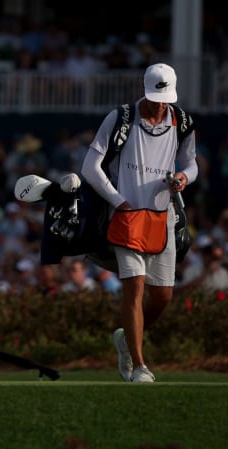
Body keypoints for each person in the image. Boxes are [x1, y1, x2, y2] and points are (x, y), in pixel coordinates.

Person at [81, 63, 198, 383]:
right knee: (134, 288)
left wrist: (184, 177)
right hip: (127, 217)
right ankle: (140, 365)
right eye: (155, 98)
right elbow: (90, 166)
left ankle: (125, 340)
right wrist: (118, 200)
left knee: (162, 297)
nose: (160, 105)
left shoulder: (182, 121)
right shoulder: (120, 118)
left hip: (163, 217)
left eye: (165, 99)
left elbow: (191, 162)